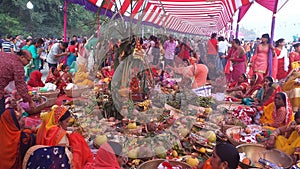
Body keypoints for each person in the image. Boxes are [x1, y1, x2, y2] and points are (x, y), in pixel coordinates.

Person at [0, 100, 35, 169]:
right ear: (12, 123)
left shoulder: (4, 131)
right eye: (19, 119)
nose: (23, 120)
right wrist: (30, 130)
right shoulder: (21, 137)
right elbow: (31, 138)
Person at [0, 50, 35, 115]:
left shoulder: (7, 55)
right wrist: (30, 101)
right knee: (2, 114)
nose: (29, 63)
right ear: (22, 57)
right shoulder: (18, 65)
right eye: (28, 60)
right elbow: (21, 86)